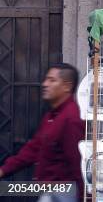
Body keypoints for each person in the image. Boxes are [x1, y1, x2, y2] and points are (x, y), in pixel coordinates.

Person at [0, 63, 84, 201]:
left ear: (67, 86)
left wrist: (83, 197)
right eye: (46, 79)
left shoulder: (71, 119)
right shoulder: (52, 116)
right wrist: (4, 169)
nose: (45, 84)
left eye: (52, 80)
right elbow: (34, 148)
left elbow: (77, 164)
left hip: (62, 194)